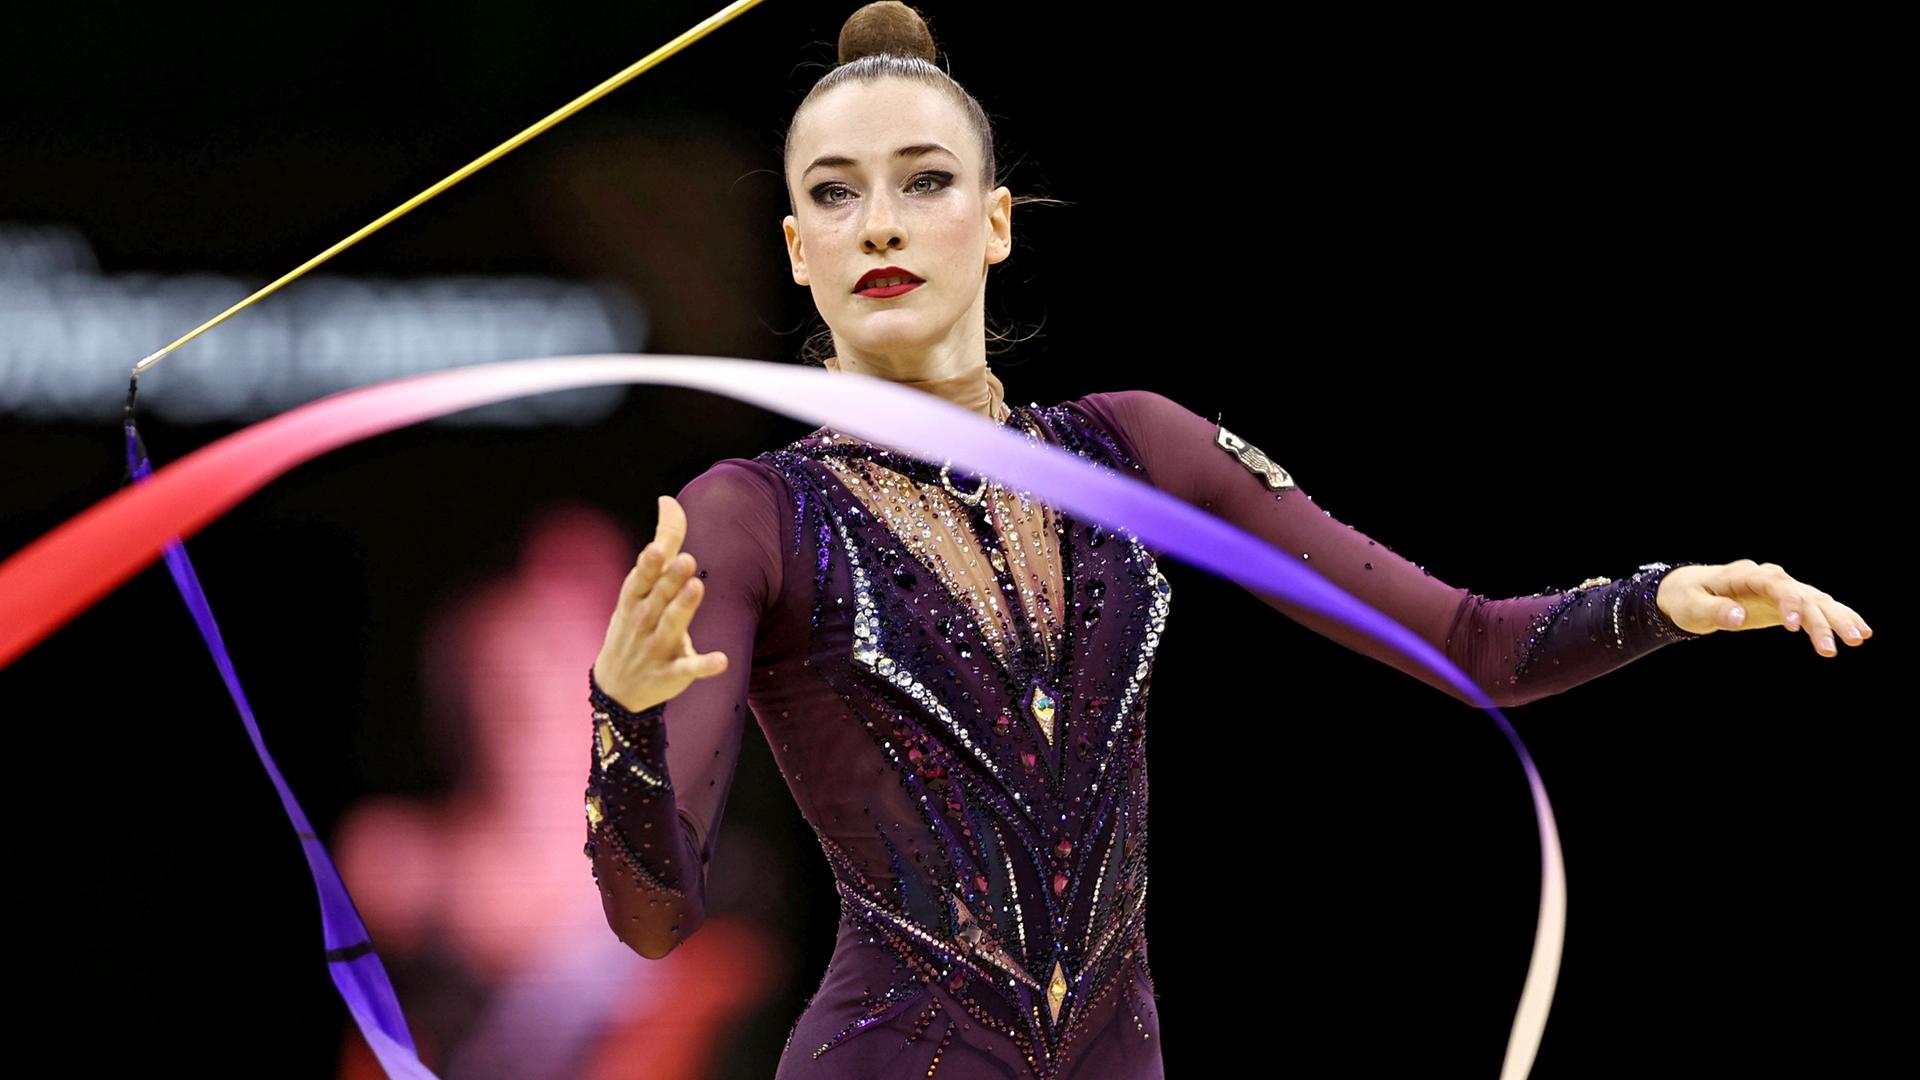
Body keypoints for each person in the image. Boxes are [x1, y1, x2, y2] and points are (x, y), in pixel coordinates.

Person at [580, 5, 1871, 1078]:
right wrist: (624, 721)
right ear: (798, 253)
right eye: (836, 195)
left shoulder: (1134, 447)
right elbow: (657, 922)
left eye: (925, 181)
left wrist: (1662, 601)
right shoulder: (748, 513)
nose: (882, 224)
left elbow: (1475, 644)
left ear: (999, 220)